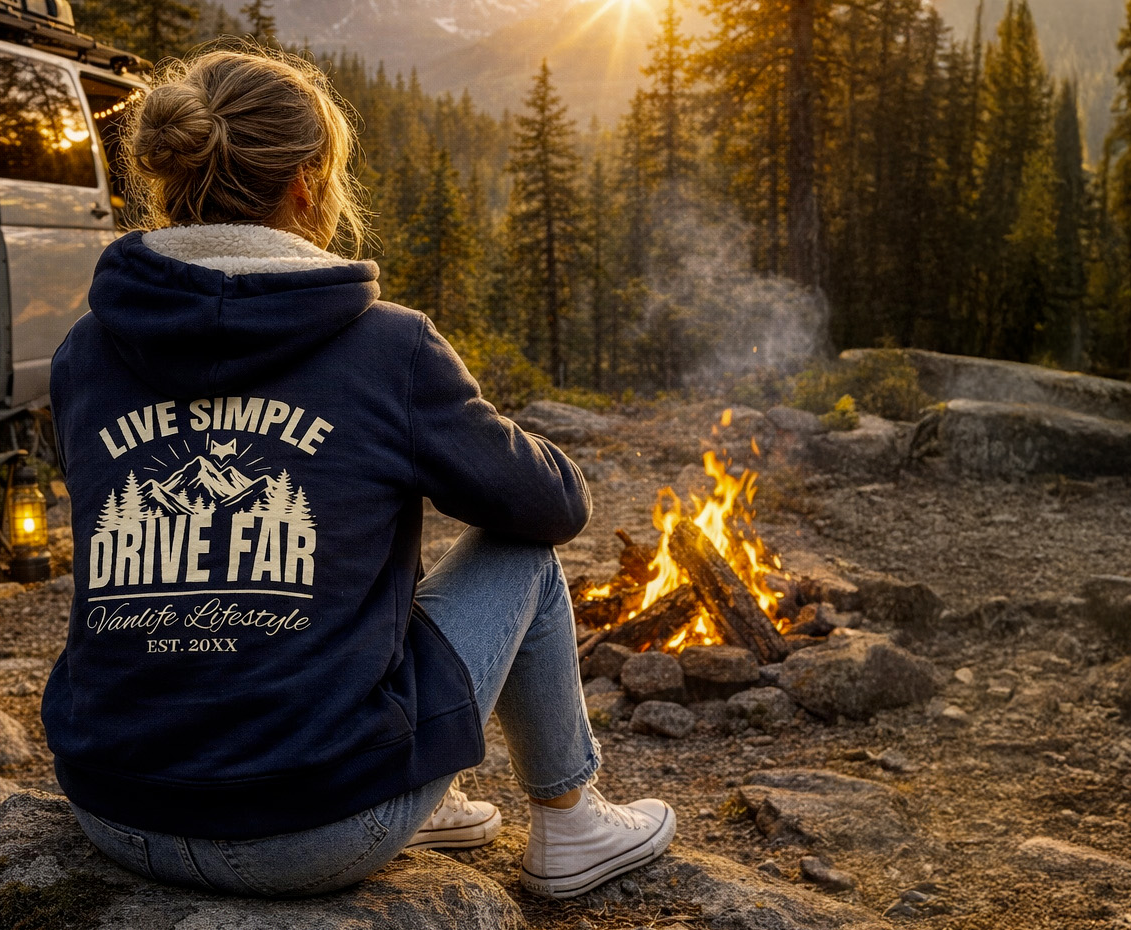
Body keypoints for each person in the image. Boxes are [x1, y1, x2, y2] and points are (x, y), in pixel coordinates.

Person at [42, 47, 673, 900]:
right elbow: (553, 506)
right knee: (520, 555)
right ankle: (570, 822)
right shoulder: (387, 347)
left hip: (115, 809)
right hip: (316, 830)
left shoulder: (85, 350)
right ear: (305, 184)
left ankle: (409, 778)